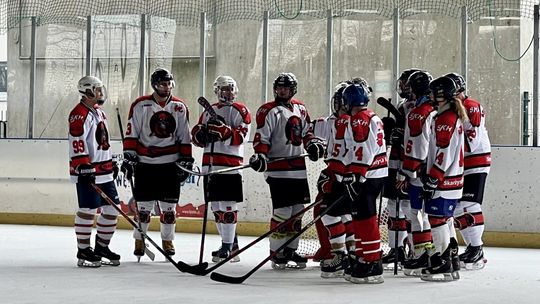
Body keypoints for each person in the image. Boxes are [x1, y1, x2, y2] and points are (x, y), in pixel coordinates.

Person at [249, 72, 325, 270]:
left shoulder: (300, 108)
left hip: (298, 168)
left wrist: (312, 145)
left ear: (293, 90)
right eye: (279, 87)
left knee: (297, 211)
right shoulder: (268, 110)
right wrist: (261, 155)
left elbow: (307, 131)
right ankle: (276, 251)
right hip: (278, 169)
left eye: (286, 88)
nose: (282, 91)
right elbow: (262, 138)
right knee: (283, 211)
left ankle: (291, 248)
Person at [121, 68, 193, 258]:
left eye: (169, 84)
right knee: (143, 208)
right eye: (162, 84)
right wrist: (129, 157)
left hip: (170, 164)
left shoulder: (179, 106)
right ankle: (139, 239)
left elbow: (184, 135)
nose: (166, 87)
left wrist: (186, 159)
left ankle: (167, 241)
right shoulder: (140, 105)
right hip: (146, 164)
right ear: (154, 85)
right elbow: (132, 132)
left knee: (169, 209)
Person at [191, 75, 251, 262]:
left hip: (230, 166)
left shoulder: (240, 110)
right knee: (217, 207)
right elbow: (196, 134)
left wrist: (225, 131)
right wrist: (201, 135)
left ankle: (226, 248)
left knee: (227, 206)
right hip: (210, 165)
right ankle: (231, 246)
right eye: (225, 89)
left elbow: (242, 136)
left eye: (231, 88)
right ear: (217, 90)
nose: (229, 92)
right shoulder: (210, 111)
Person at [68, 75, 121, 267]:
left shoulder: (99, 112)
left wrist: (112, 161)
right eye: (97, 89)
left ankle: (101, 247)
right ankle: (83, 249)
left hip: (104, 170)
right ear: (88, 91)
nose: (100, 92)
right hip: (88, 171)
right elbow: (77, 141)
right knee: (88, 209)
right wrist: (82, 165)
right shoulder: (78, 113)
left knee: (113, 209)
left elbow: (103, 141)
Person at [338, 83, 388, 284]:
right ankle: (363, 256)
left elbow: (363, 149)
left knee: (365, 216)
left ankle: (372, 262)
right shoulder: (370, 116)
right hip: (373, 174)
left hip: (368, 176)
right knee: (359, 216)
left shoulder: (359, 119)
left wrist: (356, 174)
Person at [420, 75, 467, 281]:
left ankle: (442, 261)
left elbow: (444, 152)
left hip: (444, 181)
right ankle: (452, 260)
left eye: (432, 92)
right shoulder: (446, 116)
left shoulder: (446, 119)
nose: (429, 96)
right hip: (452, 180)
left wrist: (433, 177)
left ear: (441, 95)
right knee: (445, 219)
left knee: (437, 219)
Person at [445, 72, 491, 270]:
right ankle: (474, 247)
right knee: (458, 206)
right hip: (464, 162)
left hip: (476, 161)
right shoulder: (456, 106)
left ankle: (477, 249)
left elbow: (472, 140)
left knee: (469, 204)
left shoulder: (470, 105)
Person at [314, 80, 355, 278]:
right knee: (345, 215)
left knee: (330, 213)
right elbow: (312, 136)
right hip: (346, 175)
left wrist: (332, 175)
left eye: (342, 103)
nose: (338, 106)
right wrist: (313, 144)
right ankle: (349, 253)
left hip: (345, 176)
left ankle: (340, 255)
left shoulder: (352, 123)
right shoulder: (330, 121)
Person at [380, 68, 420, 269]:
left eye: (407, 83)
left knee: (408, 207)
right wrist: (389, 131)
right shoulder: (403, 105)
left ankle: (414, 249)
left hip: (409, 164)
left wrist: (400, 133)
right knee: (392, 206)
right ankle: (396, 249)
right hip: (395, 161)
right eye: (402, 83)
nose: (403, 87)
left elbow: (416, 136)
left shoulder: (420, 107)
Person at [397, 70, 436, 276]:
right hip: (435, 171)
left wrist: (406, 172)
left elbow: (417, 146)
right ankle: (438, 253)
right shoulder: (436, 109)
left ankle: (421, 254)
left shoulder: (419, 112)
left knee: (417, 213)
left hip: (420, 172)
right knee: (434, 215)